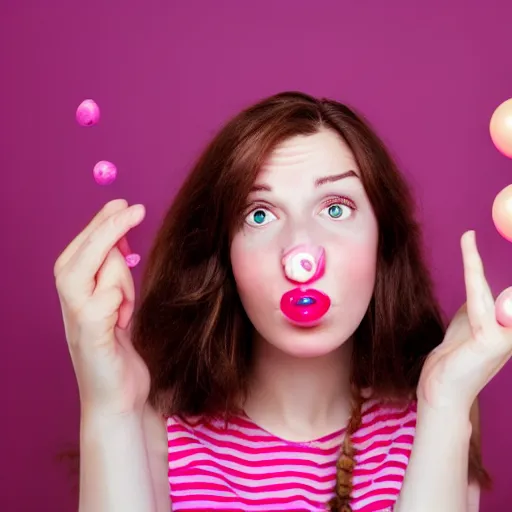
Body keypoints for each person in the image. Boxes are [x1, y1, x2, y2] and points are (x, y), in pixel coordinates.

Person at [54, 91, 511, 512]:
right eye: (259, 214)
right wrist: (108, 407)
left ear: (382, 241)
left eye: (335, 208)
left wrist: (446, 403)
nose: (300, 257)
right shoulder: (158, 427)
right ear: (223, 255)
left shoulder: (437, 411)